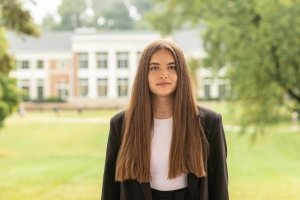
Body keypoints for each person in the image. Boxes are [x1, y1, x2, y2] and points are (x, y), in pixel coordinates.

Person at [101, 39, 229, 200]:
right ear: (144, 75)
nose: (163, 74)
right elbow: (109, 189)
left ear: (181, 73)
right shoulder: (121, 124)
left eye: (171, 67)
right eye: (154, 68)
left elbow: (220, 187)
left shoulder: (209, 123)